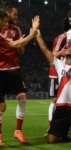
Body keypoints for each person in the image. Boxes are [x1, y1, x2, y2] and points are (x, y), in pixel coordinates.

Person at [0, 8, 40, 146]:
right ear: (6, 14)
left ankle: (18, 130)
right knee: (1, 105)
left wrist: (22, 42)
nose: (16, 16)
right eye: (14, 14)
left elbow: (19, 48)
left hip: (14, 70)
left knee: (22, 97)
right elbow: (13, 44)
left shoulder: (15, 30)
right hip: (0, 70)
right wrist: (32, 34)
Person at [47, 17, 70, 127]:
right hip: (56, 74)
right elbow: (53, 55)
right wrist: (61, 52)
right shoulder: (62, 37)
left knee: (67, 100)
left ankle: (66, 125)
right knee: (55, 100)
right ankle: (51, 126)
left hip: (65, 74)